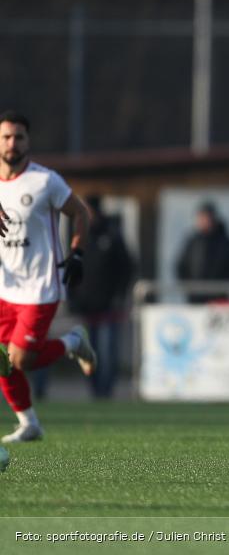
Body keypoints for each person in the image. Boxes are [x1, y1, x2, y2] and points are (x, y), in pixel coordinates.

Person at [0, 110, 97, 443]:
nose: (13, 143)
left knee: (19, 359)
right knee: (1, 360)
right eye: (7, 137)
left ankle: (73, 341)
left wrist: (78, 252)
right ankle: (29, 423)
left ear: (28, 141)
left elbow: (80, 212)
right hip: (5, 286)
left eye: (19, 137)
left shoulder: (45, 181)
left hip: (40, 286)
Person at [66, 195, 134, 398]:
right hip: (86, 306)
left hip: (109, 306)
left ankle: (107, 390)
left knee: (108, 351)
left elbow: (127, 267)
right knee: (89, 352)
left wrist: (119, 295)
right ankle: (95, 391)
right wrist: (72, 298)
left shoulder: (112, 235)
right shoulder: (78, 237)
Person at [176, 202, 229, 303]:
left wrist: (220, 288)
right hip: (194, 300)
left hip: (219, 299)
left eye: (206, 217)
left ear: (213, 218)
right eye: (200, 217)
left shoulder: (225, 242)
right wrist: (189, 289)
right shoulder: (192, 241)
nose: (202, 220)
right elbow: (181, 266)